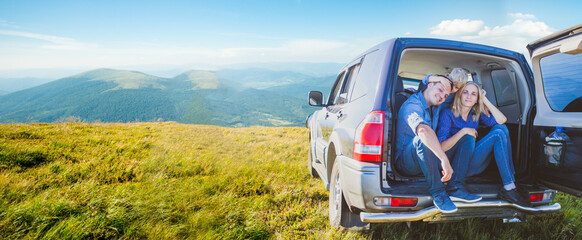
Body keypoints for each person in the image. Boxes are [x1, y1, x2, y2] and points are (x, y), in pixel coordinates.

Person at [436, 81, 531, 207]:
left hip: (472, 161)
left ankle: (511, 184)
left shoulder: (475, 114)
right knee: (482, 136)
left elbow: (502, 120)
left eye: (474, 94)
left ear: (477, 99)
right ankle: (509, 187)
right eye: (465, 92)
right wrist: (463, 132)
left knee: (501, 129)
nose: (469, 96)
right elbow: (441, 147)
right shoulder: (447, 114)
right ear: (459, 95)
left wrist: (484, 99)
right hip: (454, 166)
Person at [396, 74, 477, 214]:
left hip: (429, 158)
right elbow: (423, 130)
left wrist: (482, 97)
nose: (442, 97)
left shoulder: (436, 105)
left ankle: (455, 188)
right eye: (440, 90)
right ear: (429, 85)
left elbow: (458, 95)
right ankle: (439, 193)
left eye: (446, 95)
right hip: (407, 162)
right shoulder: (412, 105)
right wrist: (444, 159)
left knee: (467, 137)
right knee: (422, 139)